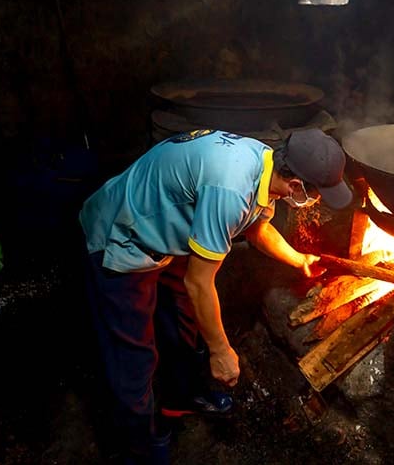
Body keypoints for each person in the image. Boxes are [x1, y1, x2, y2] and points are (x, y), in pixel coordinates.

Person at [79, 127, 353, 464]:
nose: (318, 201)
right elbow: (199, 282)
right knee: (133, 355)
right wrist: (221, 351)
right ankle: (139, 448)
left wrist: (299, 260)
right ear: (296, 185)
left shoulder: (266, 164)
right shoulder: (231, 188)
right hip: (124, 234)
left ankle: (180, 398)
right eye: (318, 194)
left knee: (183, 318)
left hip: (171, 232)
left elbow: (257, 229)